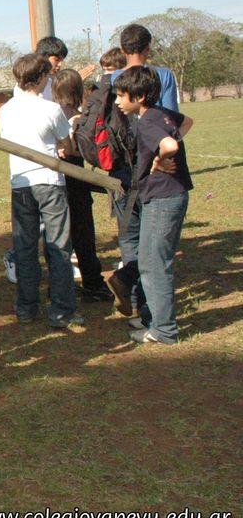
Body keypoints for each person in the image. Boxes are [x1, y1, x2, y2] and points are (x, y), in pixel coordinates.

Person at [113, 66, 193, 344]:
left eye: (121, 95)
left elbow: (170, 145)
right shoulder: (161, 113)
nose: (117, 101)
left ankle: (164, 331)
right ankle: (155, 321)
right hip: (171, 195)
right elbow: (187, 122)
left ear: (140, 96)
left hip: (163, 198)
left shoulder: (147, 122)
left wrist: (160, 159)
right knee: (149, 261)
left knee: (153, 264)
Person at [0, 55, 80, 328]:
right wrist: (64, 148)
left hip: (20, 183)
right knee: (58, 247)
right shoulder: (51, 109)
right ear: (42, 77)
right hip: (50, 182)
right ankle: (61, 311)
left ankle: (26, 307)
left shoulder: (6, 110)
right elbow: (67, 145)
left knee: (25, 248)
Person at [105, 24, 180, 318]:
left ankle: (132, 300)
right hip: (152, 170)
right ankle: (150, 309)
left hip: (119, 169)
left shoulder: (108, 79)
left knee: (130, 238)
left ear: (122, 49)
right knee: (153, 244)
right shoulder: (162, 76)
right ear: (148, 48)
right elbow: (174, 121)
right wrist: (160, 156)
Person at [50, 69, 113, 302]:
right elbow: (78, 150)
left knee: (58, 235)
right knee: (83, 234)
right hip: (75, 178)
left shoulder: (51, 114)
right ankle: (93, 283)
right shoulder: (77, 117)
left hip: (54, 179)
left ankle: (59, 286)